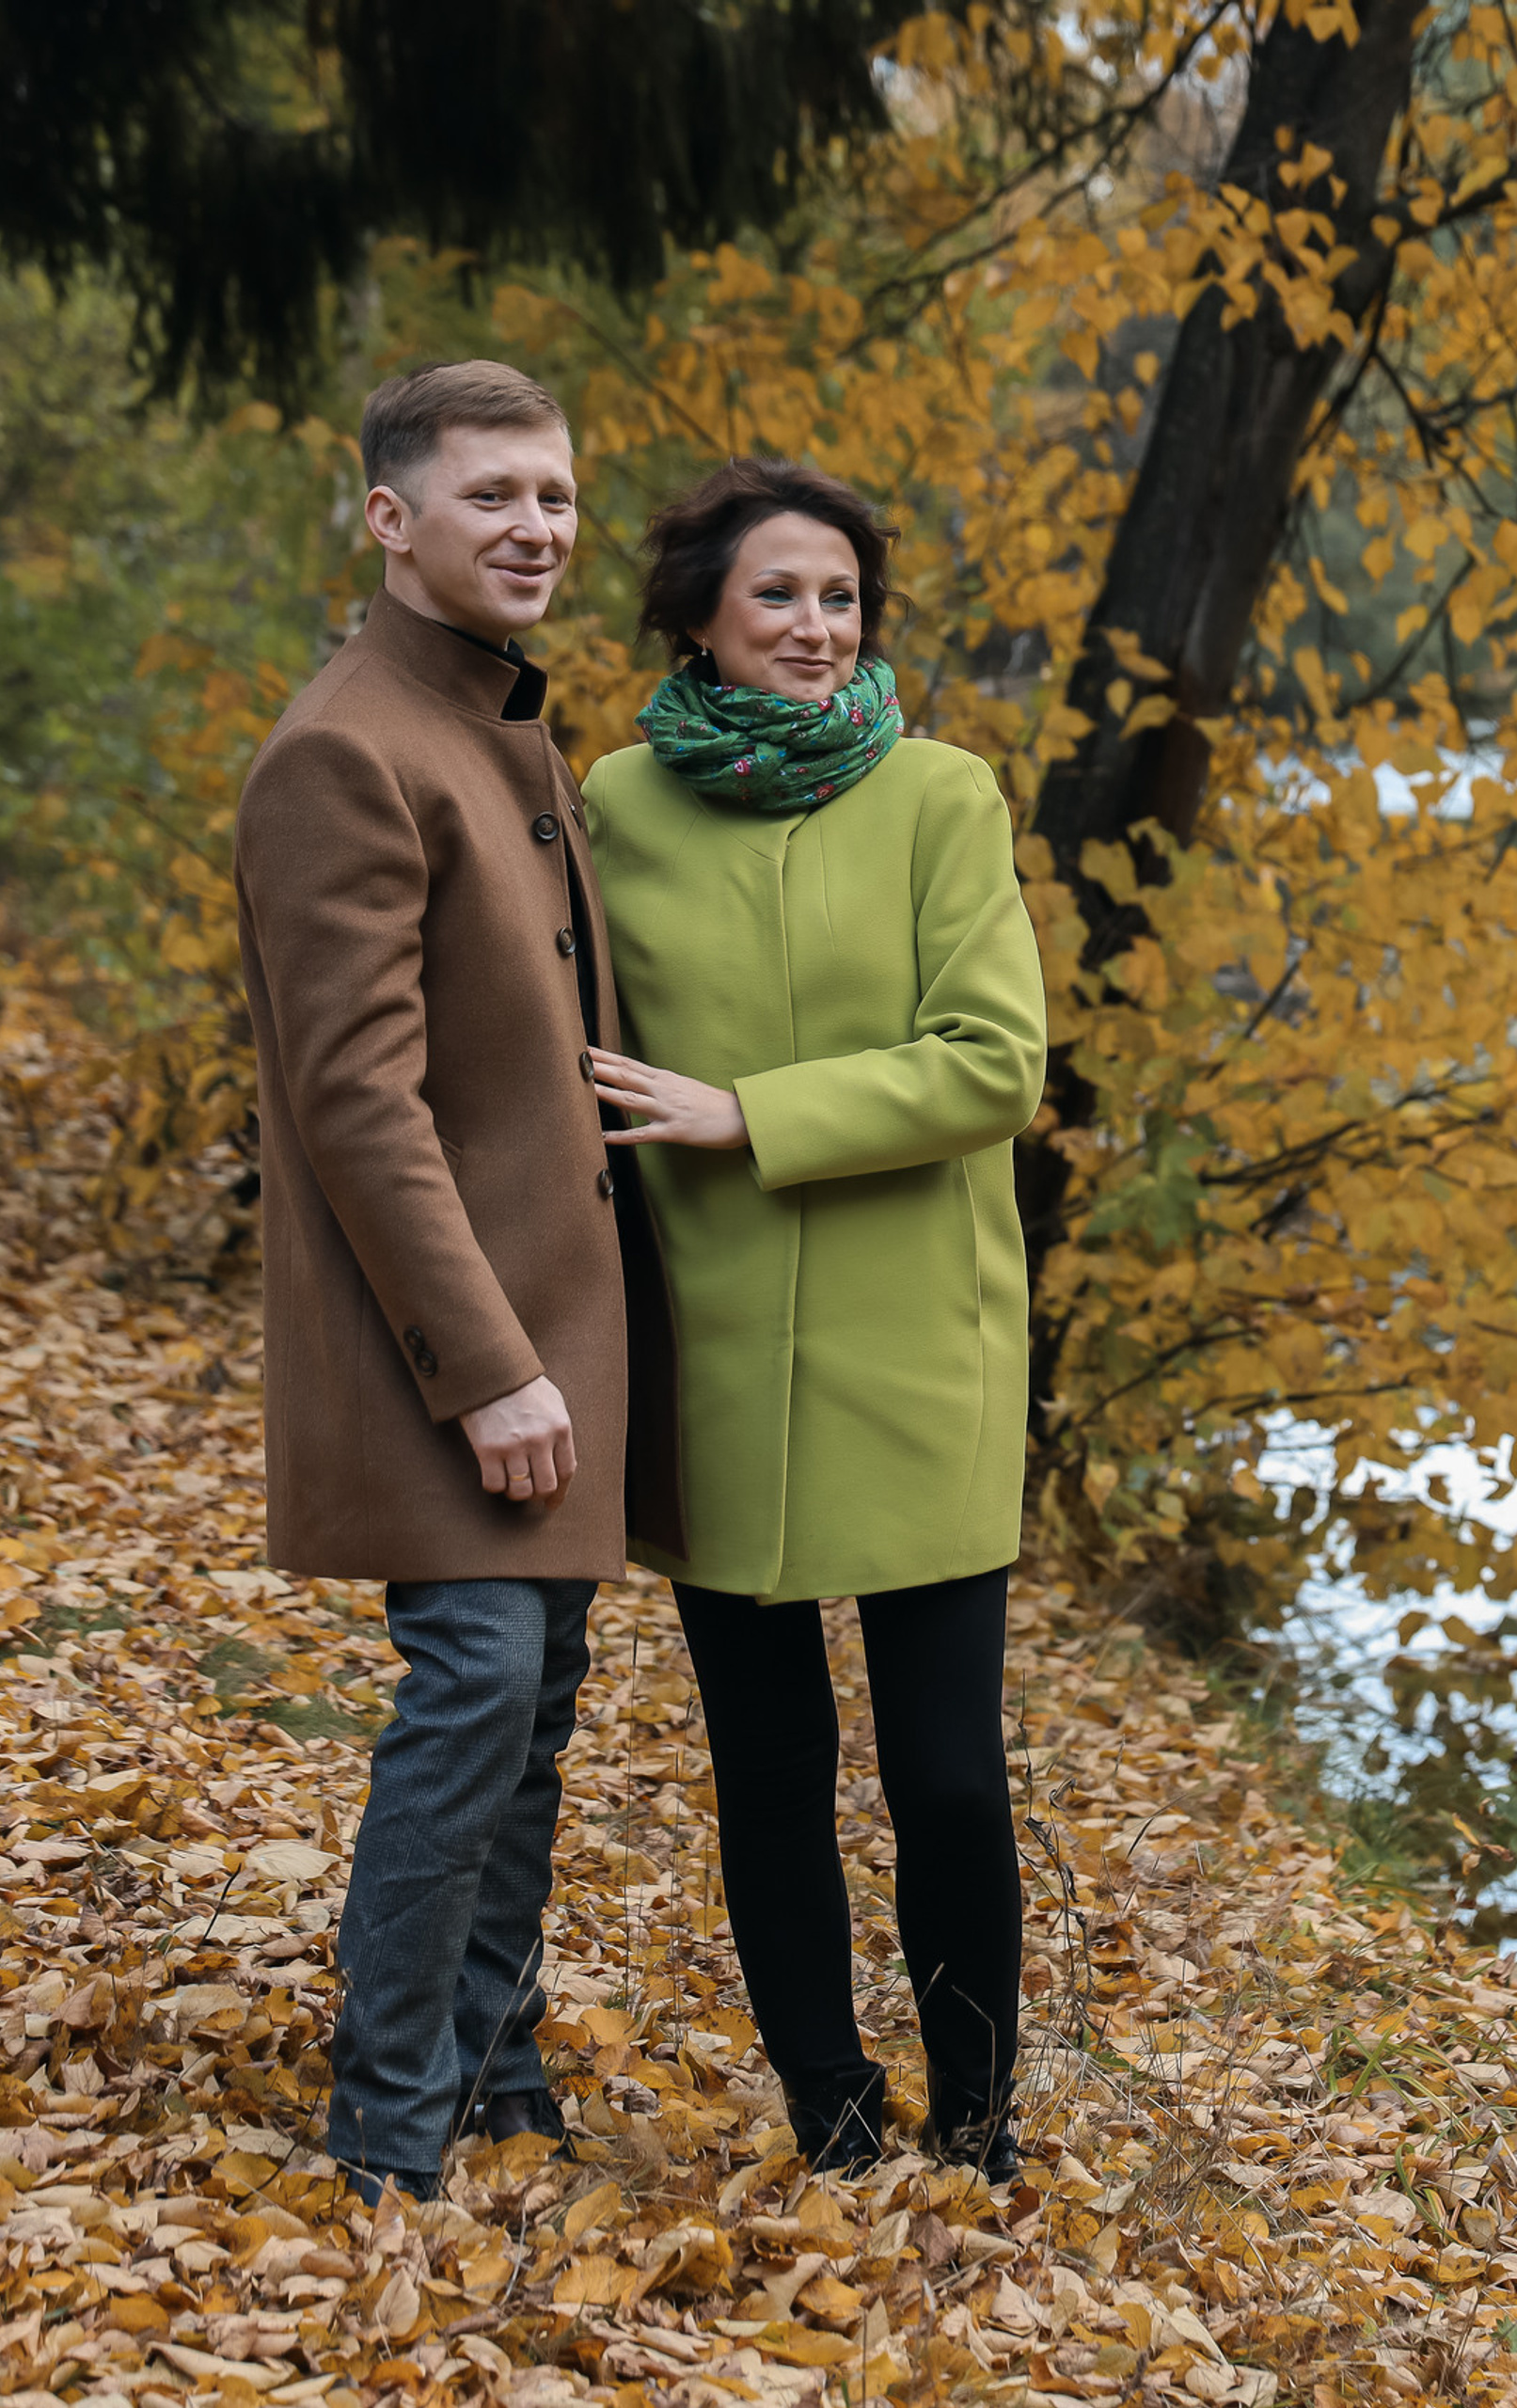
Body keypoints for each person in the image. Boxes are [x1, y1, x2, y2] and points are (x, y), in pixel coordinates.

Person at [234, 359, 679, 2204]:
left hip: (562, 1322)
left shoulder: (503, 725)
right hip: (454, 1340)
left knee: (537, 1693)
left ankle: (496, 2064)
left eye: (557, 496)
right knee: (477, 1681)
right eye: (492, 494)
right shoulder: (347, 746)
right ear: (390, 518)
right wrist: (488, 1363)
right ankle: (388, 2113)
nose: (535, 527)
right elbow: (356, 1102)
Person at [579, 458, 1045, 2178]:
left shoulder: (942, 796)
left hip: (925, 1347)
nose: (815, 626)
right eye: (779, 593)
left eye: (841, 597)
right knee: (769, 1773)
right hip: (709, 1354)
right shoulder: (614, 806)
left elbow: (996, 1061)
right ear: (699, 608)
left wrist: (750, 1113)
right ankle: (835, 2125)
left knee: (944, 1777)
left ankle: (980, 2135)